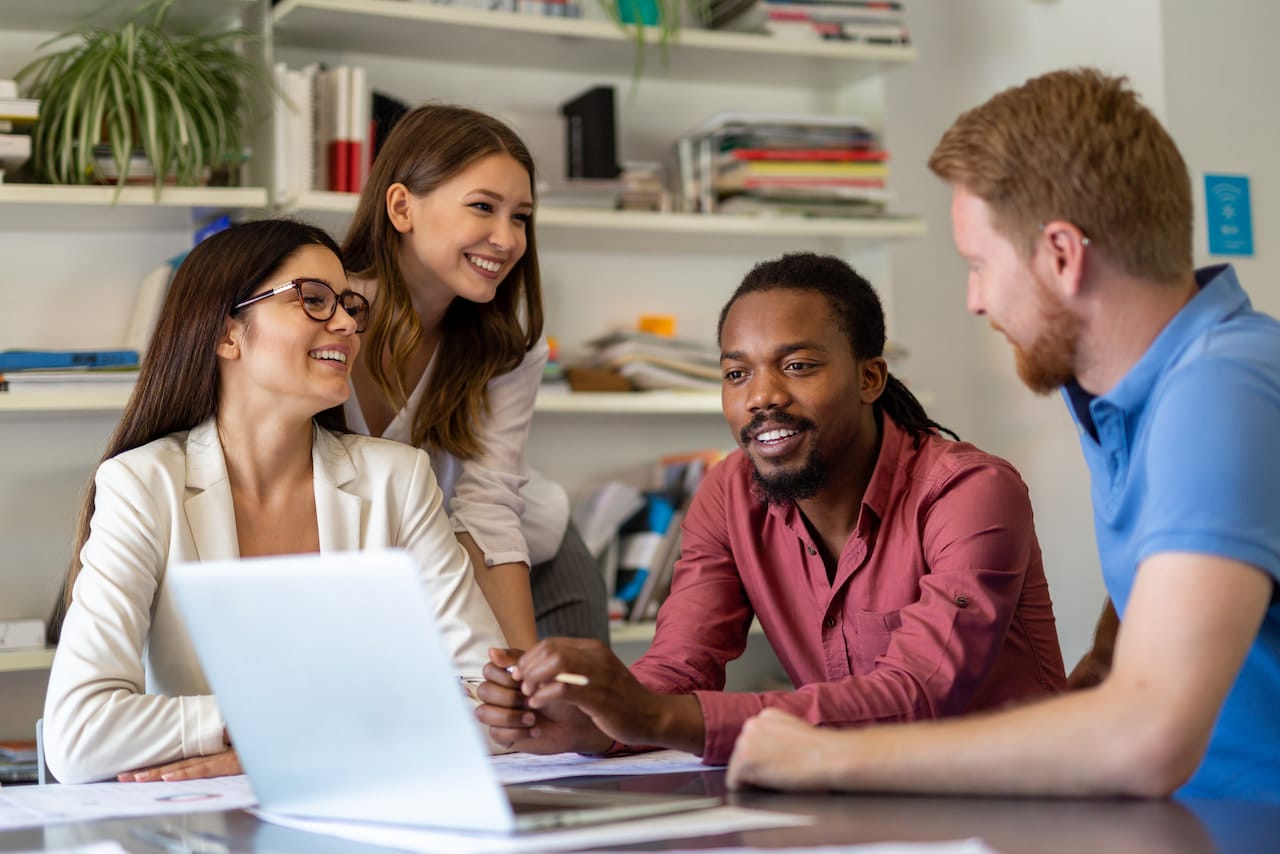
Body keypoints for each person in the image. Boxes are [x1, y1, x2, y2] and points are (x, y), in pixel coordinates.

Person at [727, 68, 1280, 802]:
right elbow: (1196, 546)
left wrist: (825, 758)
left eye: (980, 265)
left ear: (1061, 254)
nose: (975, 298)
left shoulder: (1220, 389)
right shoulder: (1142, 391)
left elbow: (1148, 738)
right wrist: (1113, 655)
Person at [475, 251, 1067, 764]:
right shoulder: (728, 495)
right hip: (856, 800)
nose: (761, 397)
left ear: (869, 378)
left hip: (1021, 807)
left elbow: (917, 695)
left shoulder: (971, 493)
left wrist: (653, 718)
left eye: (798, 366)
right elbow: (679, 671)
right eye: (737, 373)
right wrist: (593, 722)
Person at [42, 219, 506, 785]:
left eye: (348, 305)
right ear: (226, 333)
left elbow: (495, 706)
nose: (345, 323)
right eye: (312, 300)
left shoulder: (398, 479)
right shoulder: (143, 484)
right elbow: (78, 734)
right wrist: (285, 727)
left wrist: (290, 747)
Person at [340, 104, 608, 651]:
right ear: (401, 207)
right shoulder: (323, 321)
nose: (507, 239)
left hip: (531, 560)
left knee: (551, 726)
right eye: (483, 207)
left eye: (520, 216)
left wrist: (518, 673)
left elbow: (487, 509)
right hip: (403, 578)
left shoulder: (508, 347)